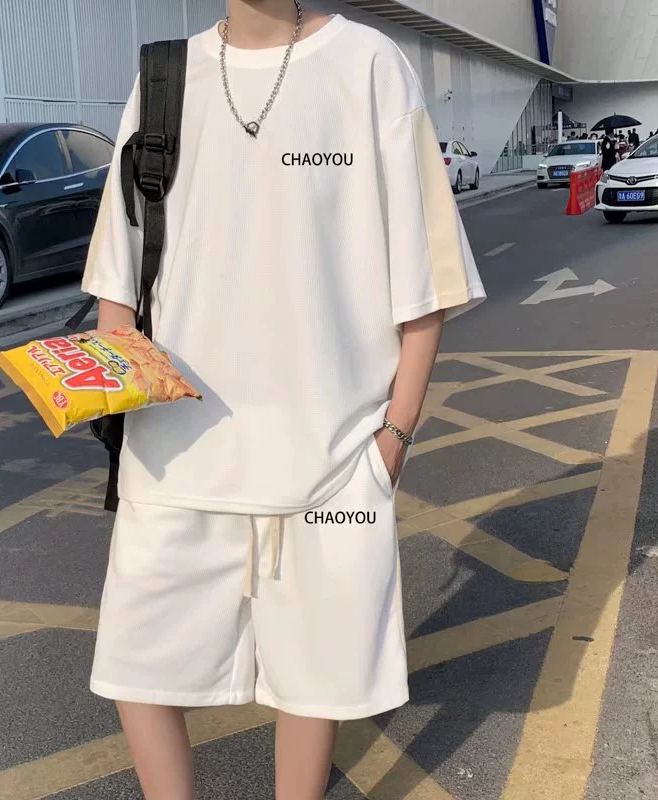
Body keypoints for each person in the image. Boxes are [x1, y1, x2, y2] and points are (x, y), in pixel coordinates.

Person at [81, 1, 486, 797]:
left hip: (329, 463)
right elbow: (118, 282)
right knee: (137, 668)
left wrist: (393, 441)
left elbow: (427, 276)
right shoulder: (163, 77)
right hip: (173, 459)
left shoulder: (368, 66)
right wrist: (107, 386)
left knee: (316, 681)